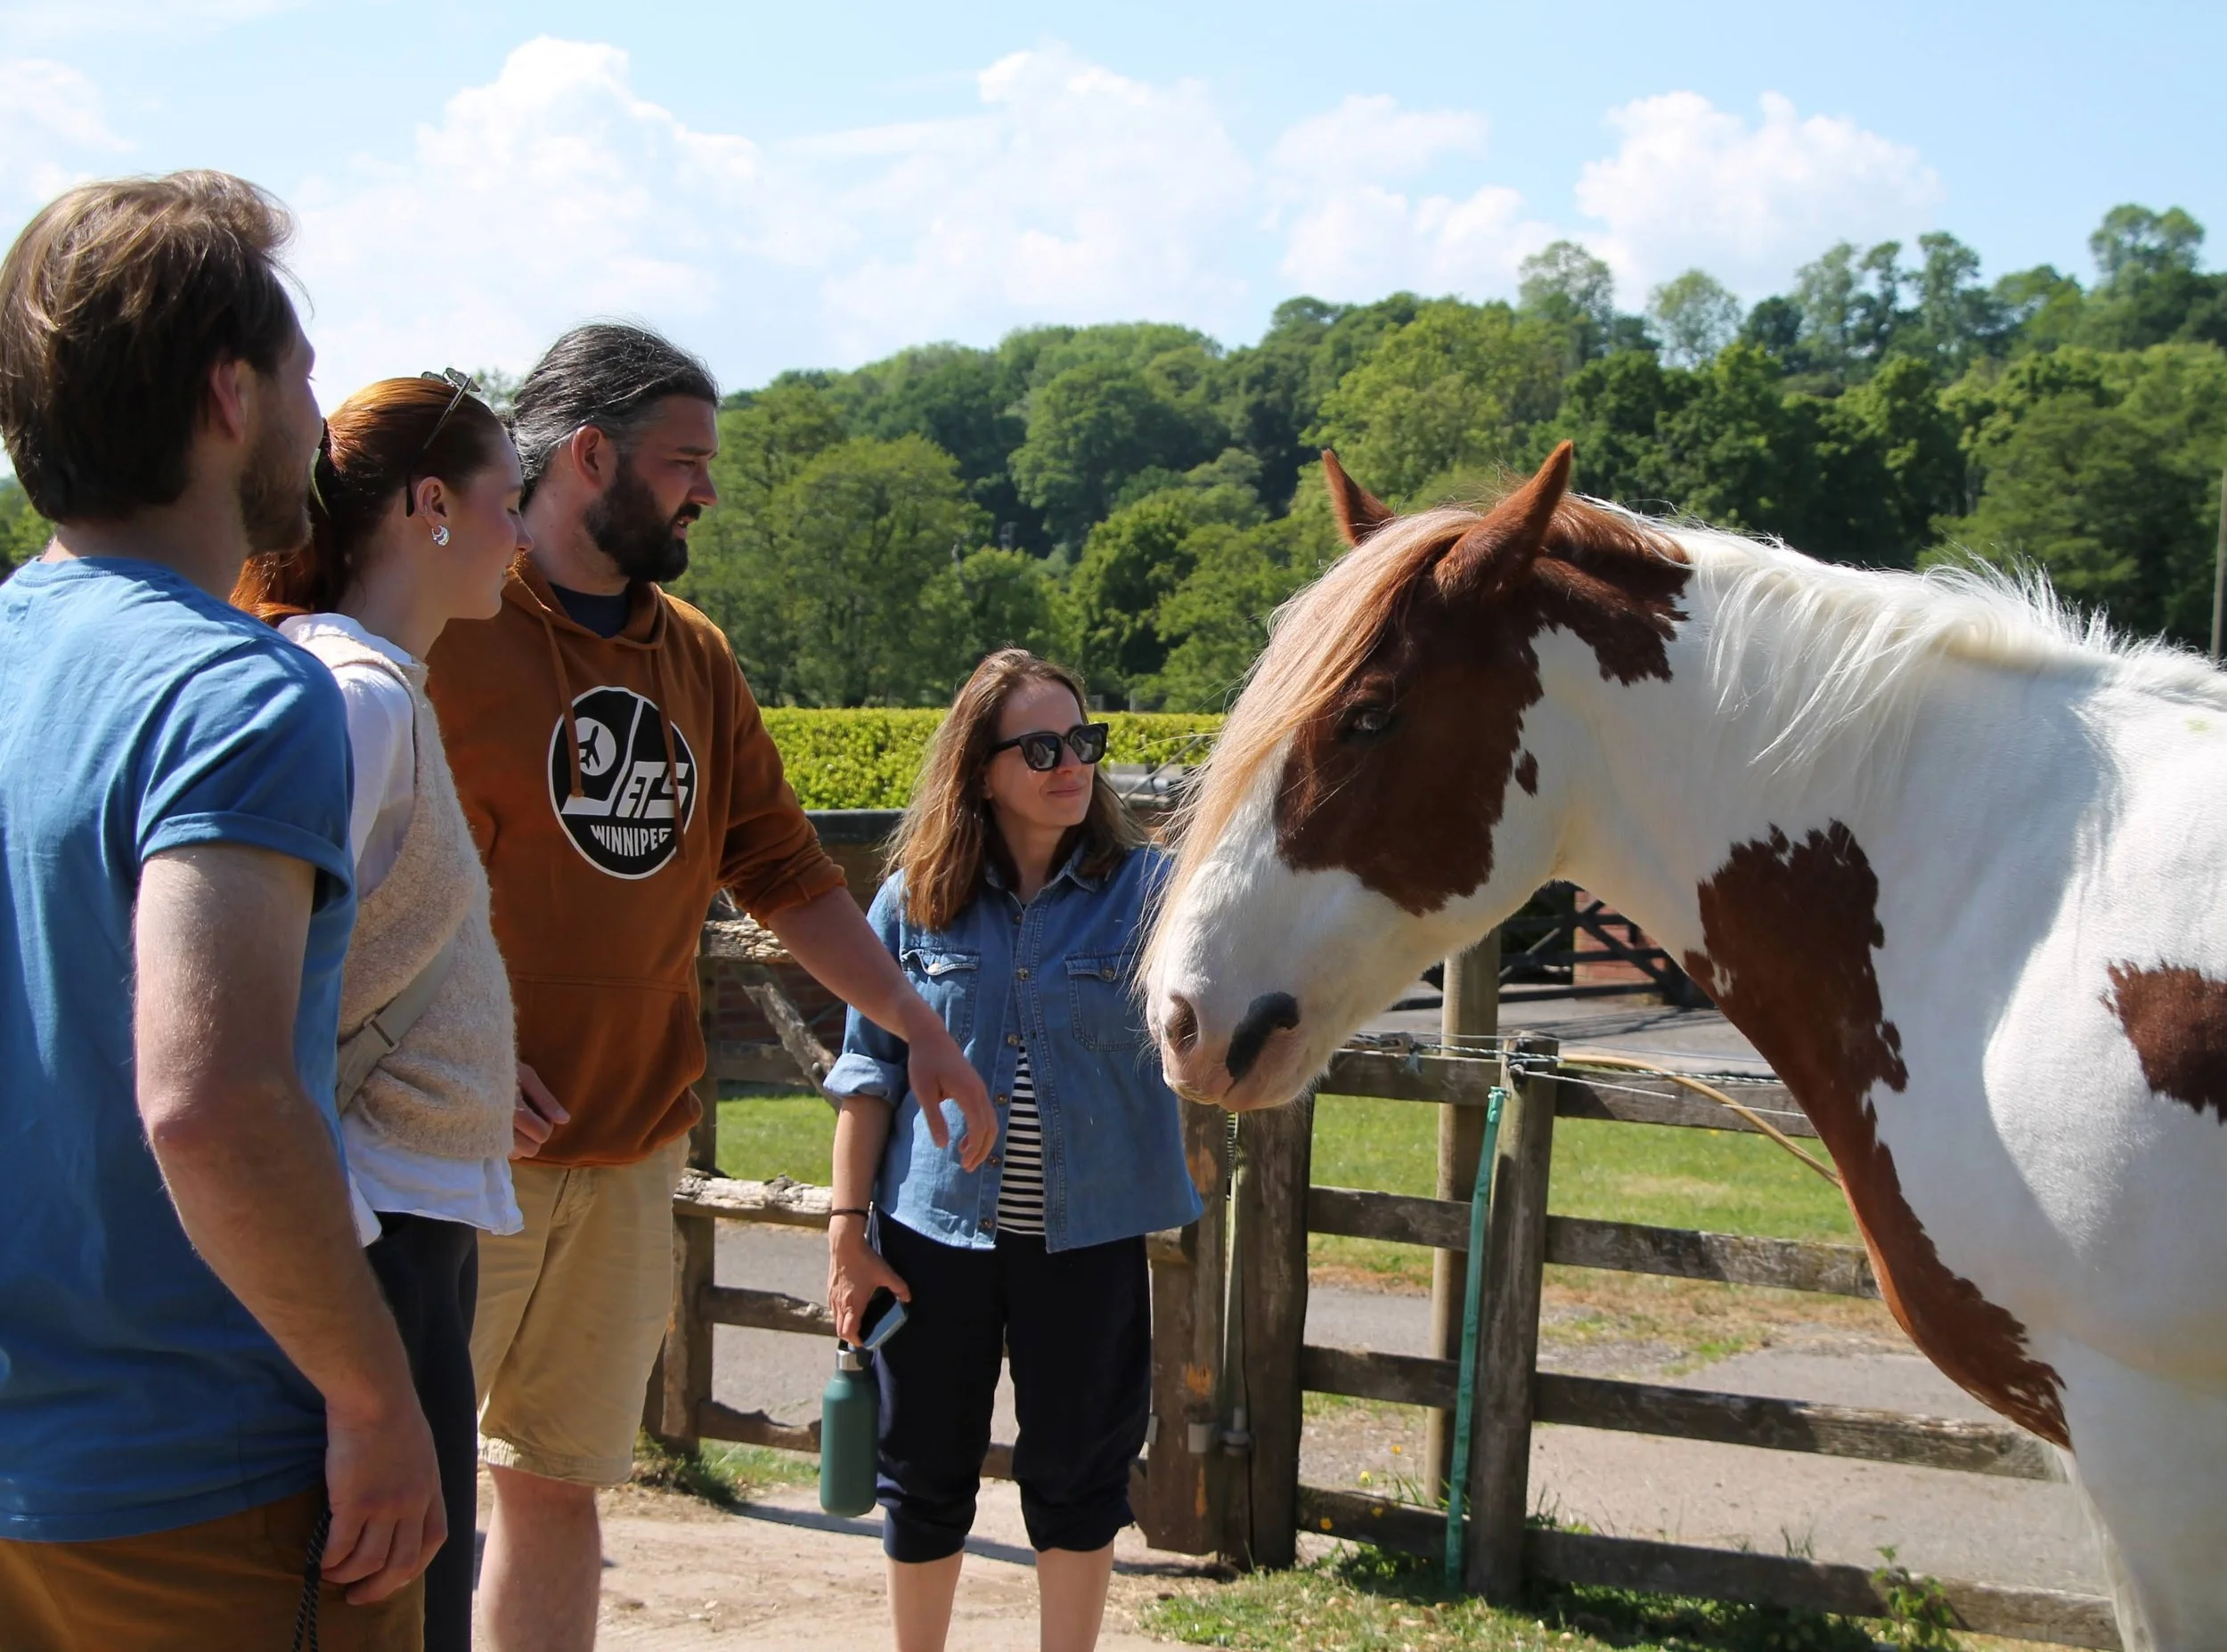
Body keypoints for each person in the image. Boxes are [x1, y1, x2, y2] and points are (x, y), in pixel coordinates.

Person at [423, 321, 994, 1651]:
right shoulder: (443, 618)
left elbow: (789, 876)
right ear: (588, 454)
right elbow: (333, 870)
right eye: (685, 461)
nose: (708, 491)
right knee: (404, 1484)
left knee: (559, 1487)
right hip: (449, 1147)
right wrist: (421, 1042)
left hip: (628, 1151)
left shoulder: (695, 656)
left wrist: (921, 1029)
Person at [0, 173, 441, 1648]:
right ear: (228, 394)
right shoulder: (233, 695)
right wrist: (378, 1398)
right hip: (199, 1488)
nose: (321, 418)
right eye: (309, 373)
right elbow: (212, 1100)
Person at [233, 371, 559, 1652]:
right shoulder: (356, 697)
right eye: (505, 502)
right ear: (430, 504)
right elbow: (273, 990)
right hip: (373, 1228)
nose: (521, 535)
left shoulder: (373, 683)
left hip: (401, 1210)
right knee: (393, 1605)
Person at [824, 649, 1204, 1652]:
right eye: (1040, 746)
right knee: (924, 1470)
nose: (1069, 762)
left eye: (1083, 741)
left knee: (1081, 1476)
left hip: (1090, 1242)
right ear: (980, 768)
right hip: (931, 1238)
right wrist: (843, 1234)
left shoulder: (1156, 896)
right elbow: (866, 1076)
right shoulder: (911, 902)